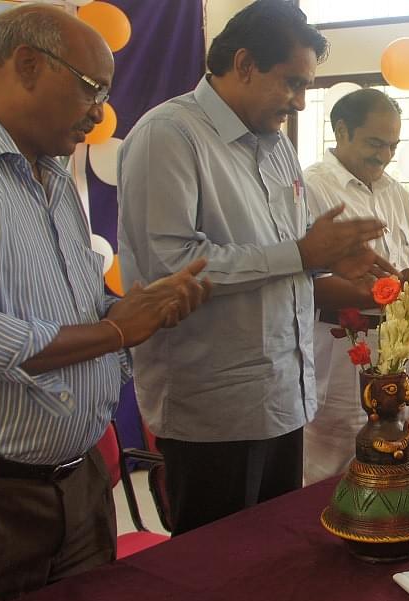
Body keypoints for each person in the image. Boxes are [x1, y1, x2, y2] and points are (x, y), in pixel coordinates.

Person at [0, 5, 209, 601]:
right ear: (27, 65)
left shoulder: (52, 173)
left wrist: (140, 308)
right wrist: (117, 329)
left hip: (80, 481)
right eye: (92, 88)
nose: (100, 113)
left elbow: (82, 300)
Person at [117, 0, 386, 534]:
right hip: (215, 409)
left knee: (273, 558)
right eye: (292, 83)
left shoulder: (277, 146)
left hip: (286, 397)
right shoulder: (169, 134)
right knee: (217, 569)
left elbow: (288, 255)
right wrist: (303, 254)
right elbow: (171, 268)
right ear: (243, 64)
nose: (300, 103)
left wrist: (331, 261)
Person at [301, 88, 409, 484]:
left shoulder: (397, 193)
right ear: (342, 131)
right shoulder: (311, 188)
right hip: (341, 346)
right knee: (335, 462)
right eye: (375, 143)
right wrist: (393, 288)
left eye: (392, 145)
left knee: (399, 452)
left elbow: (405, 270)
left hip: (400, 341)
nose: (385, 155)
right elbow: (308, 282)